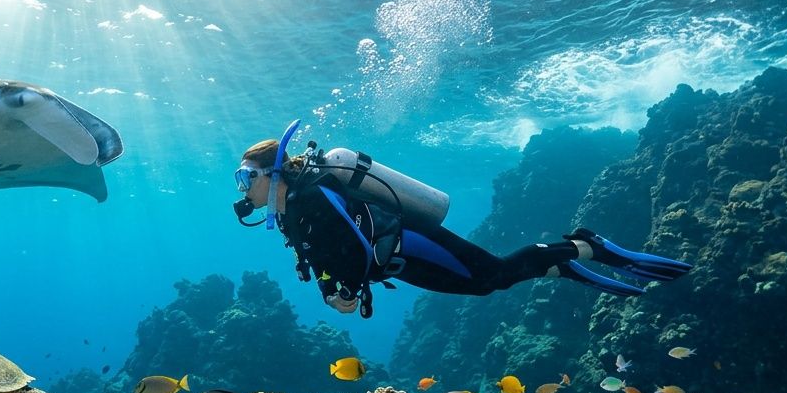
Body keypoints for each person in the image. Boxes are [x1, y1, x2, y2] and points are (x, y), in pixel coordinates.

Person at [233, 121, 691, 318]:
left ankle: (586, 245)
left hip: (410, 241)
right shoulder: (290, 214)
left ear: (273, 173)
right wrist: (331, 289)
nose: (242, 188)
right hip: (398, 262)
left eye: (246, 176)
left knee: (492, 274)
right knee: (482, 286)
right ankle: (558, 267)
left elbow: (351, 240)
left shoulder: (313, 195)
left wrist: (347, 290)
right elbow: (322, 258)